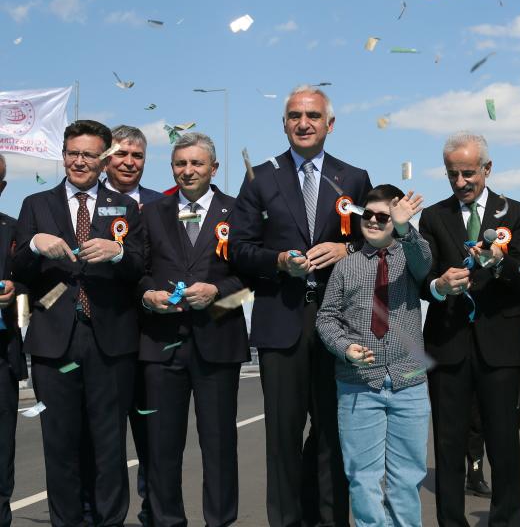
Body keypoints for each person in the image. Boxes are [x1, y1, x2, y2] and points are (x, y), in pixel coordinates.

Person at [229, 85, 372, 527]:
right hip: (281, 320)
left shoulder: (355, 178)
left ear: (330, 124)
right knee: (282, 439)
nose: (303, 123)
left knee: (334, 434)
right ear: (284, 124)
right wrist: (276, 261)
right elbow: (238, 248)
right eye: (295, 116)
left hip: (339, 323)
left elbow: (377, 241)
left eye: (312, 115)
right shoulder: (260, 178)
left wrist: (348, 250)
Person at [12, 119, 144, 526]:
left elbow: (141, 266)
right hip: (54, 343)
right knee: (59, 447)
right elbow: (18, 269)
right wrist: (33, 245)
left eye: (88, 154)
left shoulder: (126, 207)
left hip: (110, 342)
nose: (79, 161)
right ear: (64, 155)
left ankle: (109, 521)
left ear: (104, 159)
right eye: (72, 153)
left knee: (109, 447)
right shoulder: (36, 204)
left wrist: (118, 253)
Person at [418, 131, 520, 527]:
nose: (461, 182)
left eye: (468, 173)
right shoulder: (433, 217)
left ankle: (505, 520)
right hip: (447, 345)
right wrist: (438, 285)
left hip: (500, 347)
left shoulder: (517, 214)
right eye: (453, 174)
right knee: (448, 446)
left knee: (504, 445)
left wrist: (499, 263)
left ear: (487, 168)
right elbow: (421, 278)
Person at [139, 132, 249, 526]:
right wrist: (147, 294)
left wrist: (218, 291)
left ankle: (220, 521)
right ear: (172, 168)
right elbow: (137, 270)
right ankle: (167, 521)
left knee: (219, 446)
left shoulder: (238, 212)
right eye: (180, 163)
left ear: (213, 168)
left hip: (218, 344)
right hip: (161, 344)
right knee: (161, 447)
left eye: (196, 163)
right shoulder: (150, 213)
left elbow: (251, 279)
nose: (188, 171)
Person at [317, 185, 431, 526]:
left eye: (384, 216)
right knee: (363, 478)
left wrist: (405, 228)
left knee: (407, 477)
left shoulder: (410, 258)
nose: (374, 221)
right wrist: (344, 348)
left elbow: (424, 261)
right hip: (358, 385)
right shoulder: (345, 266)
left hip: (409, 381)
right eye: (368, 214)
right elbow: (326, 317)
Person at [80, 124, 163, 526]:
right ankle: (92, 512)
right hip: (102, 338)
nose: (129, 162)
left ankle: (153, 511)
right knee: (96, 436)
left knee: (151, 436)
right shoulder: (84, 205)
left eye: (137, 155)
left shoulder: (162, 204)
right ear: (105, 158)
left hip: (151, 337)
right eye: (121, 154)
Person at [0, 154, 26, 527]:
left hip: (2, 357)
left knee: (2, 451)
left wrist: (16, 292)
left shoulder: (15, 230)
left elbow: (35, 290)